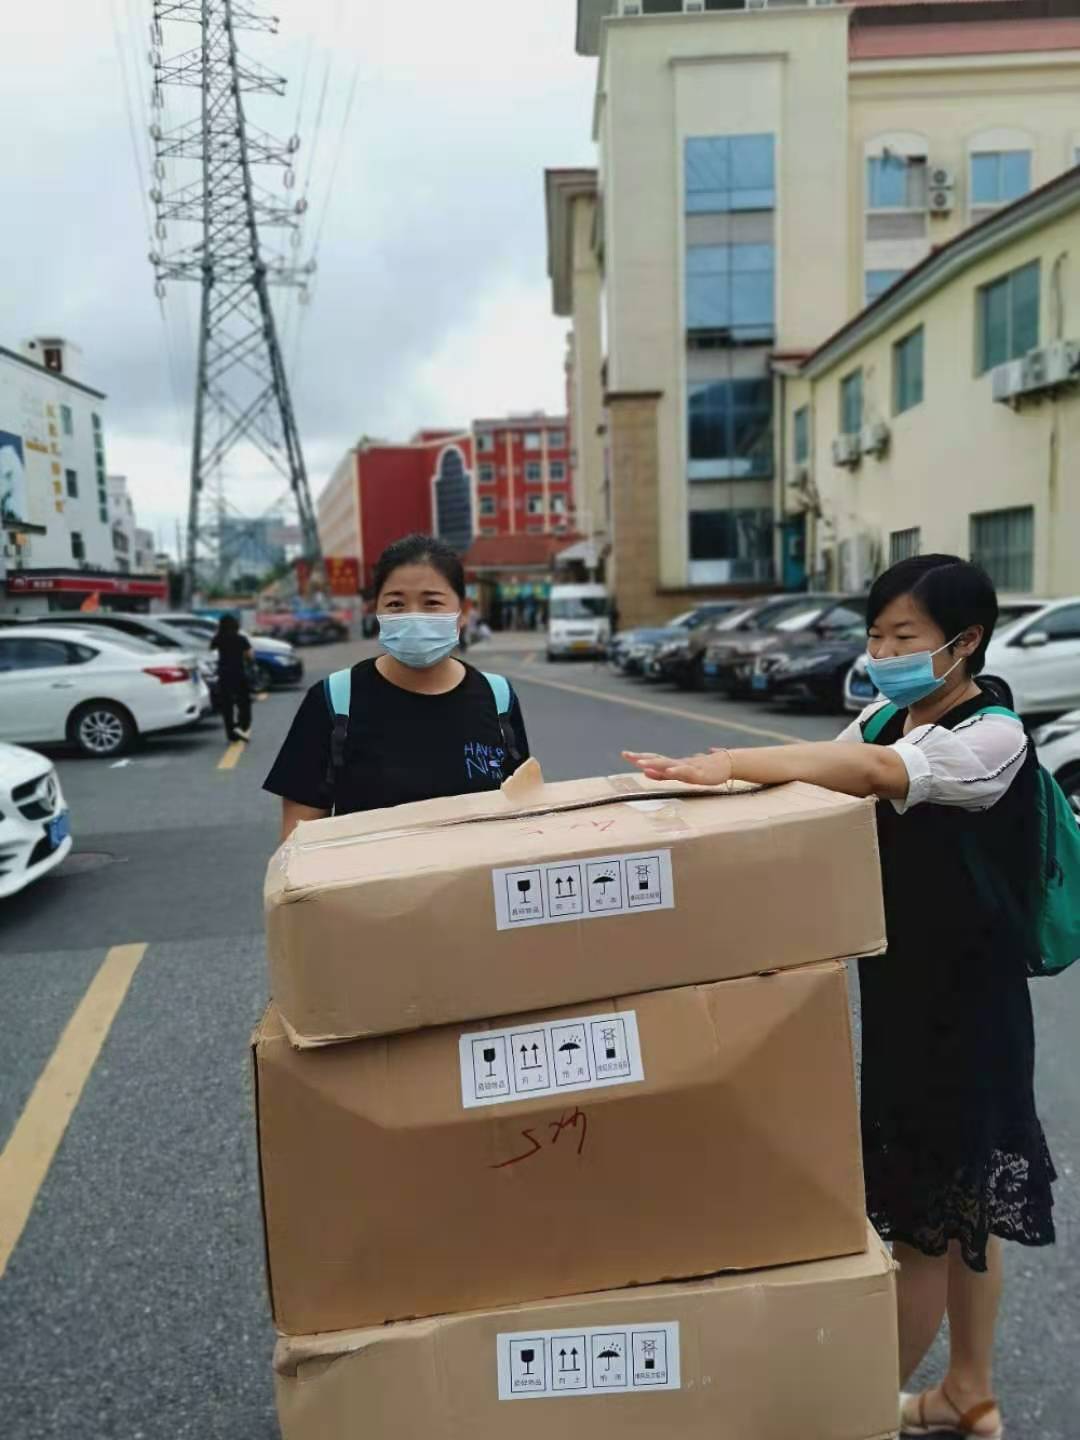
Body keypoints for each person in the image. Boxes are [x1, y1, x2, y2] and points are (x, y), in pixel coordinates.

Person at [624, 555, 1054, 1440]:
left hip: (965, 1012)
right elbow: (824, 767)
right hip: (904, 995)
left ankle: (850, 1416)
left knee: (927, 1228)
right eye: (876, 635)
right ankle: (969, 1392)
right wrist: (717, 790)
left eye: (905, 636)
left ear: (965, 642)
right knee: (963, 1208)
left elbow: (870, 775)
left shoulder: (991, 735)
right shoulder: (890, 714)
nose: (883, 652)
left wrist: (729, 759)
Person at [265, 533, 531, 841]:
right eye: (395, 604)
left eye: (431, 603)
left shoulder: (498, 698)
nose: (413, 616)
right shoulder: (333, 701)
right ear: (376, 610)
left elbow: (522, 818)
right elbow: (297, 844)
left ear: (464, 611)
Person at [210, 613, 253, 743]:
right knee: (244, 702)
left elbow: (211, 649)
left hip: (224, 674)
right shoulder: (241, 639)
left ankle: (231, 733)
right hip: (239, 673)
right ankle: (242, 725)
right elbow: (249, 655)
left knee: (227, 705)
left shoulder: (218, 638)